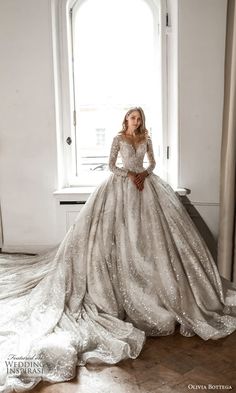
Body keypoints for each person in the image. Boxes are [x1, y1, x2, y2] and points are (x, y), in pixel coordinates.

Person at [0, 107, 236, 393]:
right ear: (125, 120)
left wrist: (143, 175)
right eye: (131, 118)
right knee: (114, 237)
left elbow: (152, 164)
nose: (135, 121)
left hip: (146, 187)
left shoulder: (146, 138)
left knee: (154, 240)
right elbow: (111, 166)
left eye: (138, 118)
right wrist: (129, 175)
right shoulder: (118, 138)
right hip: (121, 186)